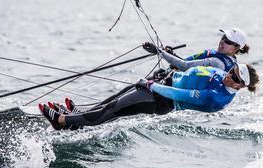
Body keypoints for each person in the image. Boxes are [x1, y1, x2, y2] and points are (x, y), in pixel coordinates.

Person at [38, 62, 259, 130]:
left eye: (235, 78)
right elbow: (190, 70)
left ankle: (61, 121)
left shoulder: (216, 98)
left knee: (112, 109)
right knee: (112, 104)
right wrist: (168, 70)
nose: (229, 75)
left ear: (240, 86)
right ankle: (78, 118)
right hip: (159, 85)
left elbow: (177, 93)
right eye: (232, 71)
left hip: (160, 99)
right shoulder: (223, 75)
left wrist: (152, 84)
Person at [150, 28, 249, 74]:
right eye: (223, 37)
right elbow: (187, 64)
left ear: (236, 48)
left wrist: (160, 52)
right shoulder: (220, 55)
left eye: (227, 41)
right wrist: (172, 54)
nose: (222, 41)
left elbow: (184, 66)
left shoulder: (218, 63)